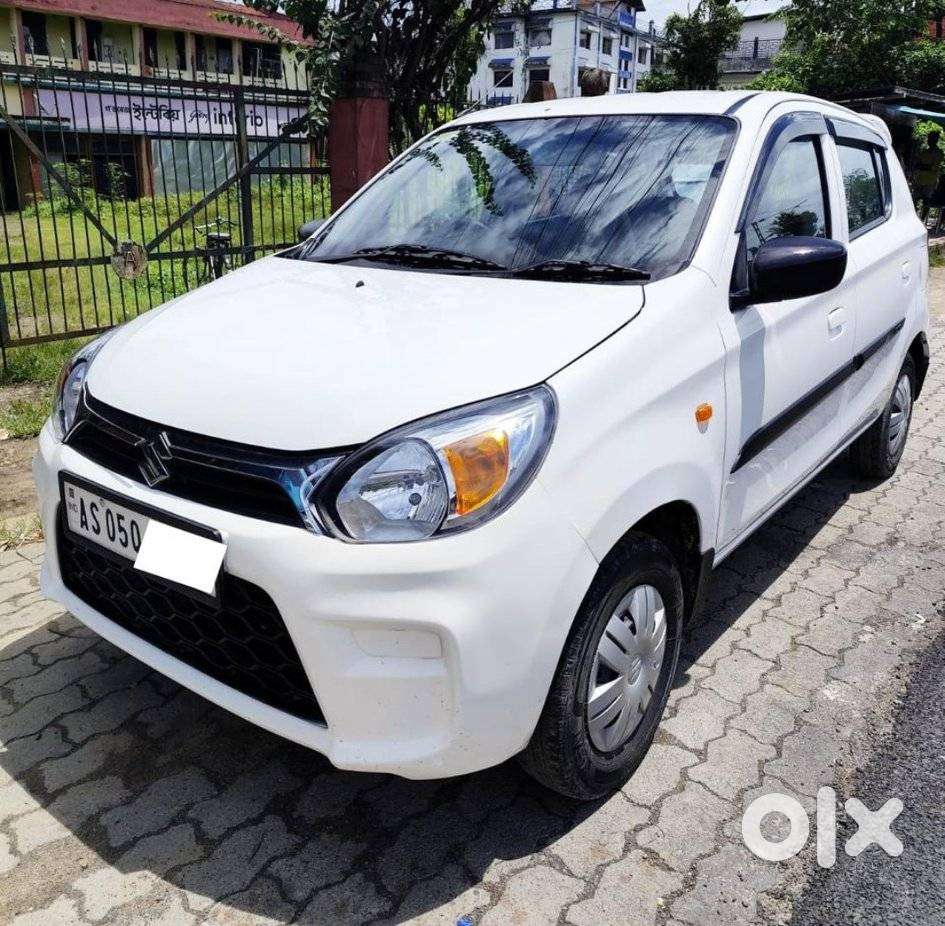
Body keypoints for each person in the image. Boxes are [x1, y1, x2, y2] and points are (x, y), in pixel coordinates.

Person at [913, 130, 944, 222]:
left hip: (930, 181)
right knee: (915, 199)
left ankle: (922, 220)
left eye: (931, 138)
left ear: (935, 140)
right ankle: (914, 218)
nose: (929, 140)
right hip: (919, 179)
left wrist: (922, 166)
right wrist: (923, 166)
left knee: (926, 201)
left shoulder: (939, 152)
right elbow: (918, 164)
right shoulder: (924, 151)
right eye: (929, 138)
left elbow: (932, 167)